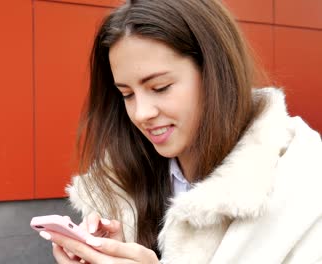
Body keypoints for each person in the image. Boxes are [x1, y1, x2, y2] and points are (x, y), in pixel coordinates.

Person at [37, 0, 322, 263]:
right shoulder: (121, 186)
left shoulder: (301, 180)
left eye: (159, 87)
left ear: (215, 72)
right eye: (126, 94)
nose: (141, 113)